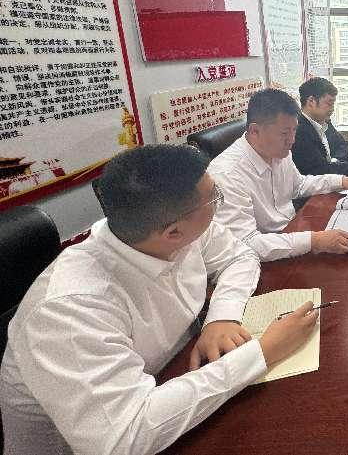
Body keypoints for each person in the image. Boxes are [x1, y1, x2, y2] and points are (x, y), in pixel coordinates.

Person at [0, 145, 319, 455]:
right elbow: (124, 437)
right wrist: (261, 353)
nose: (218, 204)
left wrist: (222, 317)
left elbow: (240, 256)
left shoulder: (173, 229)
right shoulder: (69, 308)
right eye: (215, 198)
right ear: (173, 233)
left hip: (171, 375)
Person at [208, 88, 348, 262]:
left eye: (294, 130)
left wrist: (341, 181)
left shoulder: (279, 151)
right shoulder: (227, 174)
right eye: (285, 133)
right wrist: (314, 241)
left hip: (292, 233)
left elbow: (298, 185)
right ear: (255, 131)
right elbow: (245, 243)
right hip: (262, 259)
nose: (292, 140)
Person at [292, 77, 348, 176]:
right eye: (329, 104)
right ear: (311, 101)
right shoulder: (298, 131)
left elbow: (344, 145)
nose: (332, 109)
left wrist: (335, 161)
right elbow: (321, 171)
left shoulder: (324, 122)